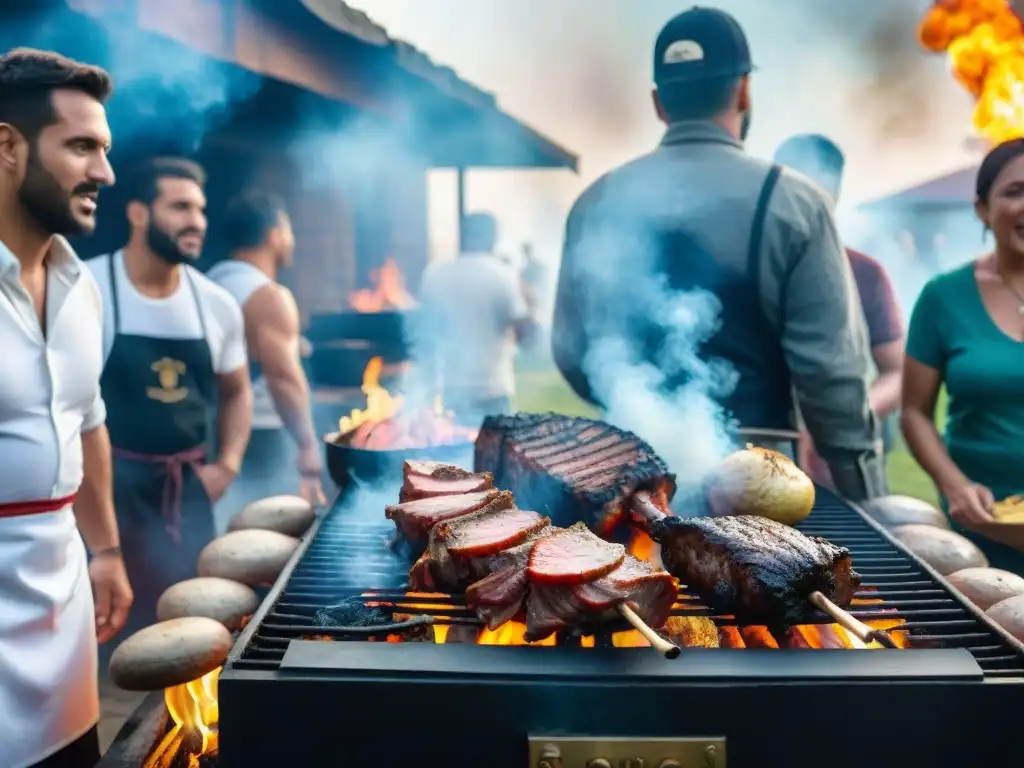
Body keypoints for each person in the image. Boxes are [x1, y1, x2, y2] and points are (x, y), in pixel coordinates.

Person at [551, 7, 884, 501]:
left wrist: (633, 409)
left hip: (627, 490)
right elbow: (832, 374)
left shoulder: (594, 202)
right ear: (744, 90)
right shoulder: (791, 200)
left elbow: (572, 351)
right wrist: (865, 496)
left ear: (659, 102)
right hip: (758, 490)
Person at [0, 48, 132, 768]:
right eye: (82, 146)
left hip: (63, 599)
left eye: (104, 149)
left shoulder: (81, 286)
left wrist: (106, 549)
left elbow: (88, 420)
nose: (105, 173)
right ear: (8, 146)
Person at [86, 157, 252, 654]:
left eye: (199, 209)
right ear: (138, 213)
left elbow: (238, 390)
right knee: (110, 631)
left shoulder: (215, 302)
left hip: (189, 488)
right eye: (180, 207)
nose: (196, 222)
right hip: (109, 490)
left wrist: (228, 464)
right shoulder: (89, 289)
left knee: (190, 628)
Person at [901, 138, 1024, 573]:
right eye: (1015, 191)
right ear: (981, 209)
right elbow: (914, 411)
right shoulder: (944, 296)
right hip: (983, 529)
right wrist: (956, 486)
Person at [773, 134, 905, 487]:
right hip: (771, 460)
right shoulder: (756, 273)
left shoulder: (866, 273)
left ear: (835, 193)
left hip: (848, 457)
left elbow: (896, 372)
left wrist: (849, 414)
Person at [207, 192, 325, 521]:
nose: (292, 240)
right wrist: (307, 445)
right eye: (288, 230)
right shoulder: (269, 297)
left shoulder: (209, 283)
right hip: (264, 436)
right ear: (274, 236)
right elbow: (283, 380)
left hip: (215, 434)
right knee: (269, 538)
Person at [415, 211, 538, 427]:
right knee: (494, 457)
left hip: (451, 389)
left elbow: (424, 333)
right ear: (492, 238)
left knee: (454, 456)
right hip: (492, 389)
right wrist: (530, 300)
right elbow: (526, 337)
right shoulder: (502, 275)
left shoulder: (434, 275)